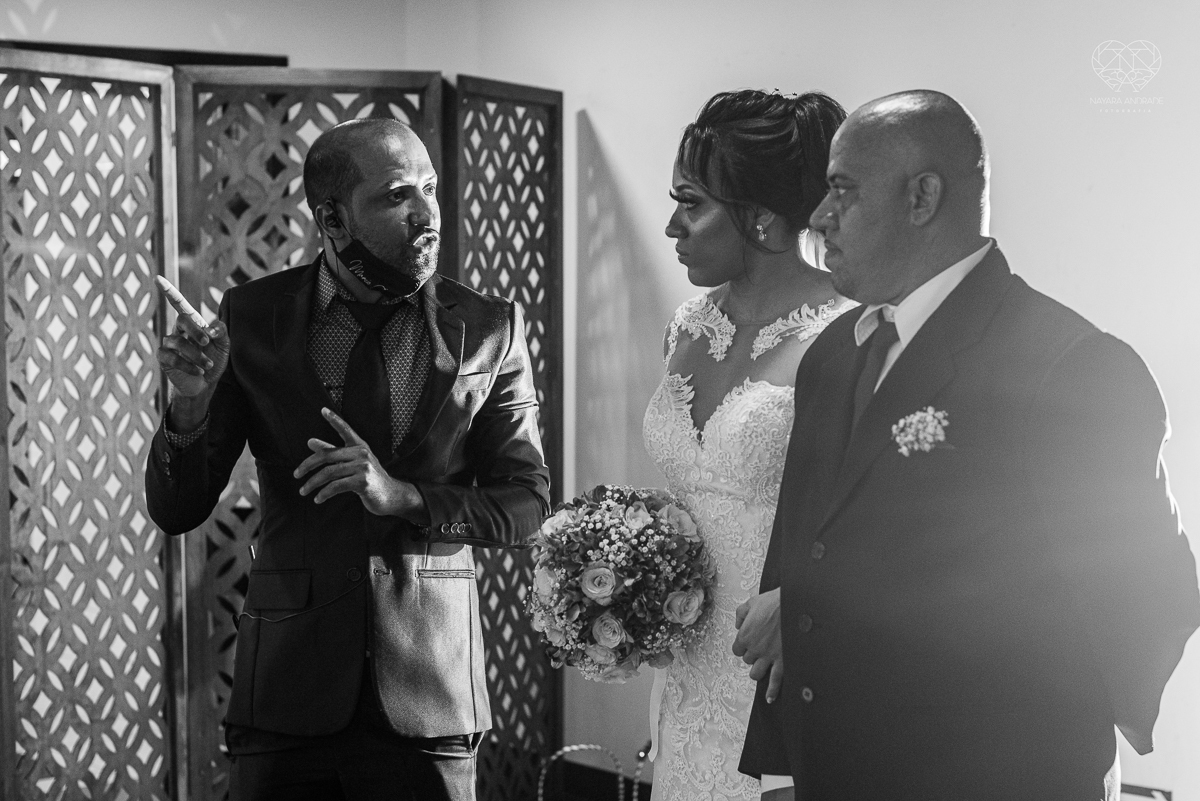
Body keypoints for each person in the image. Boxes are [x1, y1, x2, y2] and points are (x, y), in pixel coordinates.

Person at [734, 90, 1200, 799]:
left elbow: (1149, 593)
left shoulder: (1071, 364)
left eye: (842, 190)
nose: (821, 217)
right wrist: (785, 762)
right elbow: (805, 546)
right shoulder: (834, 354)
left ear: (922, 197)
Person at [146, 118, 550, 801]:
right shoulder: (252, 318)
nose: (426, 213)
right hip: (286, 695)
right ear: (332, 219)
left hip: (432, 693)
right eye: (397, 195)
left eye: (429, 188)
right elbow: (178, 508)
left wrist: (403, 497)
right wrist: (190, 405)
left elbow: (528, 505)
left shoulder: (488, 327)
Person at [642, 88, 850, 801]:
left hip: (783, 661)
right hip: (687, 665)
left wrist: (807, 600)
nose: (672, 224)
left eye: (691, 203)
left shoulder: (849, 334)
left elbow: (876, 513)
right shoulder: (686, 325)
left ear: (759, 218)